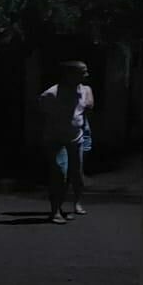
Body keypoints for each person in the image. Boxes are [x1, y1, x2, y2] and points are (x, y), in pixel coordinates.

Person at [37, 61, 94, 222]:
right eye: (82, 72)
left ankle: (72, 204)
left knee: (76, 173)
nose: (86, 76)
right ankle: (55, 211)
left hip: (76, 137)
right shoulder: (51, 94)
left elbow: (86, 110)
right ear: (69, 75)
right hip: (56, 139)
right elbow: (40, 114)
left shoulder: (83, 91)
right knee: (59, 173)